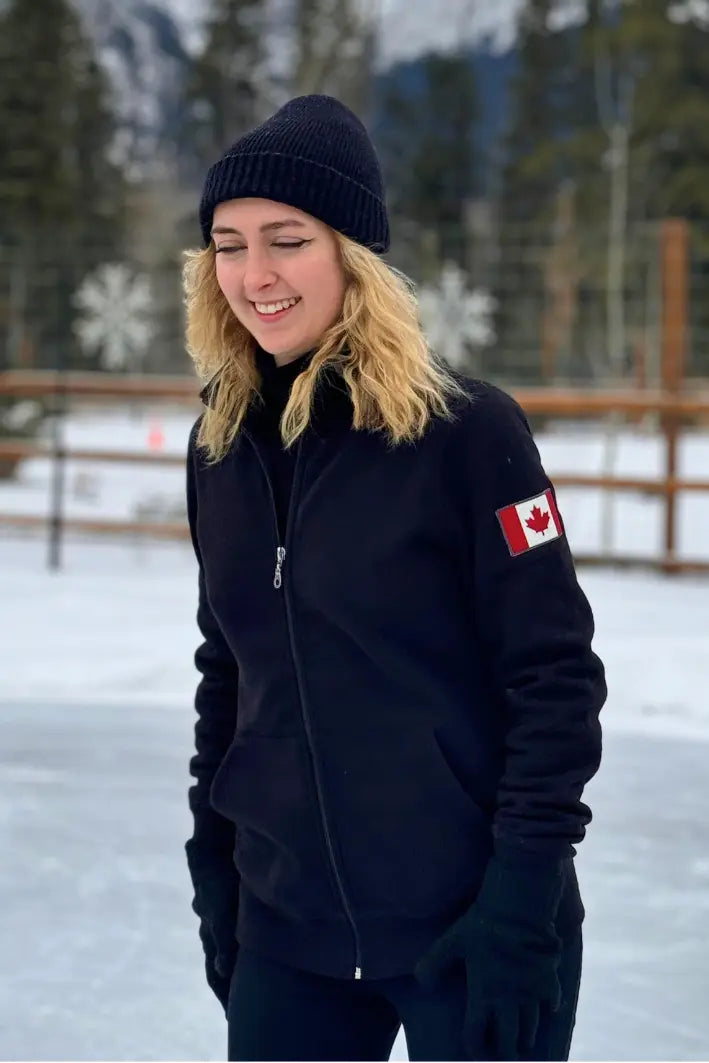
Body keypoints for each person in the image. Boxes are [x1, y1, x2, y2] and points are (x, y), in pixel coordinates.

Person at [182, 94, 606, 1063]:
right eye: (229, 243)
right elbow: (230, 670)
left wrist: (521, 897)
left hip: (469, 925)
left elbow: (554, 679)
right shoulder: (220, 447)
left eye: (286, 240)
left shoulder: (465, 433)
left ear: (351, 257)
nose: (255, 274)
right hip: (288, 932)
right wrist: (215, 865)